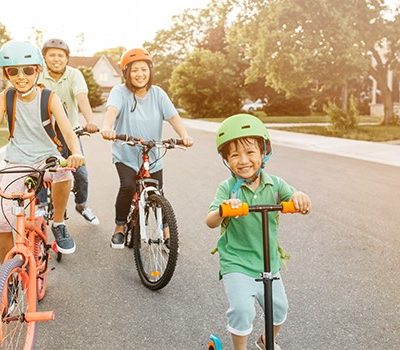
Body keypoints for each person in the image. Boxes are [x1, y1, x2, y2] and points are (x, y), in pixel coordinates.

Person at [206, 114, 311, 350]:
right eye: (234, 155)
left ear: (264, 153)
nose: (243, 160)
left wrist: (299, 197)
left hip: (268, 262)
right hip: (237, 261)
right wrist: (225, 210)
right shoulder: (227, 189)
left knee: (279, 310)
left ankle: (266, 341)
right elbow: (210, 221)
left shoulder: (275, 183)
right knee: (243, 311)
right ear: (226, 160)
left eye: (250, 152)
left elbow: (293, 197)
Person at [0, 40, 85, 262]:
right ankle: (8, 275)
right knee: (2, 220)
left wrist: (75, 152)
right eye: (13, 71)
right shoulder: (6, 98)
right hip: (17, 161)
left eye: (28, 70)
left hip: (47, 157)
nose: (21, 76)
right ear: (5, 73)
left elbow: (67, 132)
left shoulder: (49, 97)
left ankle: (59, 223)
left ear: (37, 70)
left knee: (63, 172)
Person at [101, 48, 193, 249]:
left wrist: (184, 135)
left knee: (157, 192)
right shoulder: (120, 92)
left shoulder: (158, 94)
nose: (140, 74)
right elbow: (112, 111)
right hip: (125, 152)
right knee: (127, 186)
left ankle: (168, 232)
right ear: (126, 73)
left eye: (144, 69)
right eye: (134, 70)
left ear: (150, 71)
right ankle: (120, 227)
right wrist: (107, 127)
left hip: (153, 154)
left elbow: (173, 117)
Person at [38, 38, 99, 225]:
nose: (56, 59)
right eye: (52, 55)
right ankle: (40, 205)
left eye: (60, 55)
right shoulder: (38, 75)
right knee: (41, 170)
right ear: (45, 58)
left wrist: (89, 121)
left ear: (66, 58)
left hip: (69, 133)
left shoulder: (74, 75)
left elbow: (81, 98)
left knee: (81, 173)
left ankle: (82, 205)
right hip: (44, 133)